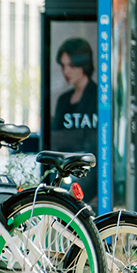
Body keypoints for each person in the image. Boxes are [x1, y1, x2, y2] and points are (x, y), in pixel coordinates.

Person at [50, 36, 98, 202]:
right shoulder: (64, 99)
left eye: (71, 65)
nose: (66, 71)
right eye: (63, 66)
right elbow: (55, 137)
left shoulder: (97, 97)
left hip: (92, 175)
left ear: (82, 65)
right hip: (67, 171)